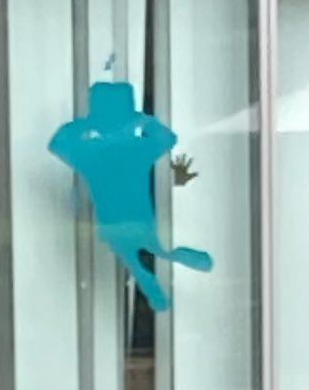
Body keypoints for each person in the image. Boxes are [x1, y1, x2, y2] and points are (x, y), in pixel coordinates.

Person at [51, 77, 212, 312]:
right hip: (140, 218)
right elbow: (167, 138)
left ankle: (153, 276)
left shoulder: (91, 151)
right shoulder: (137, 148)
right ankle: (165, 263)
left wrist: (86, 123)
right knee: (149, 250)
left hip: (111, 221)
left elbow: (58, 143)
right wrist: (143, 120)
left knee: (132, 255)